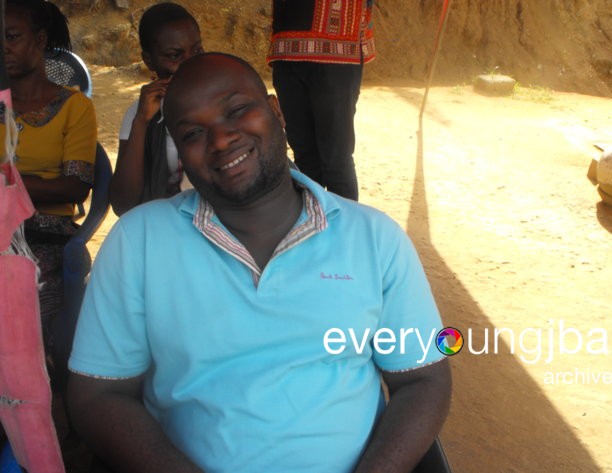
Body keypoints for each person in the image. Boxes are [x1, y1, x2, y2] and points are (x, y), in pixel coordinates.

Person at [67, 53, 451, 473]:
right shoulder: (138, 242)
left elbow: (423, 378)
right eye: (193, 132)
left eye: (236, 110)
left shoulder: (374, 239)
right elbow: (98, 395)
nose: (220, 140)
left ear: (275, 109)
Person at [0, 0, 97, 352]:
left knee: (18, 302)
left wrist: (8, 185)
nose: (3, 48)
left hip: (44, 236)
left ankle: (37, 396)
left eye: (11, 37)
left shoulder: (75, 108)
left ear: (40, 40)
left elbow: (75, 186)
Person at [267, 0, 376, 201]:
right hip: (287, 46)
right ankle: (311, 226)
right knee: (304, 156)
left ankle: (344, 229)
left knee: (336, 159)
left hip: (338, 45)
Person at [109, 2, 203, 216]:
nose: (190, 63)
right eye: (174, 55)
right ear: (149, 61)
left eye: (197, 50)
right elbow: (123, 204)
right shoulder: (140, 114)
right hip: (165, 229)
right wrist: (141, 121)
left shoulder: (224, 101)